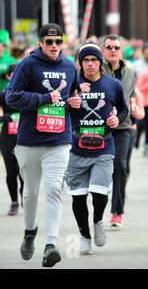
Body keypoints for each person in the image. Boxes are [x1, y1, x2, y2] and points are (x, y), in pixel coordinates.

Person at [6, 23, 80, 267]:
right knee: (31, 193)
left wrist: (74, 103)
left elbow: (71, 97)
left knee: (54, 190)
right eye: (49, 42)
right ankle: (30, 232)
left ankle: (51, 245)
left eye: (58, 41)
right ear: (40, 42)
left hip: (59, 141)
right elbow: (12, 96)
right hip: (29, 140)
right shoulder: (28, 65)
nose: (54, 46)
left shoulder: (70, 66)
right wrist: (44, 98)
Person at [65, 43, 128, 255]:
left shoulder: (113, 84)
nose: (90, 64)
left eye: (94, 60)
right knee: (79, 196)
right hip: (77, 148)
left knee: (100, 192)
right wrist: (69, 102)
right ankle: (84, 235)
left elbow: (124, 109)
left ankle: (99, 220)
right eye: (86, 60)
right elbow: (59, 108)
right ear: (80, 64)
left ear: (100, 63)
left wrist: (115, 120)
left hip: (104, 146)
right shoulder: (72, 84)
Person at [102, 34, 138, 227]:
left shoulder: (130, 71)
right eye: (110, 47)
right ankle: (99, 207)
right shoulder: (97, 69)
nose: (113, 50)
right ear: (103, 50)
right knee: (100, 167)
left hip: (123, 124)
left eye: (117, 47)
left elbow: (133, 94)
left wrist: (136, 110)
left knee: (121, 166)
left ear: (121, 50)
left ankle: (117, 211)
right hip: (99, 126)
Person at [0, 63, 24, 216]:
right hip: (7, 136)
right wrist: (4, 117)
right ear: (8, 76)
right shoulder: (2, 94)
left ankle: (24, 195)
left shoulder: (26, 94)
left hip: (25, 136)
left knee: (24, 171)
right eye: (12, 74)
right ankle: (14, 201)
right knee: (11, 170)